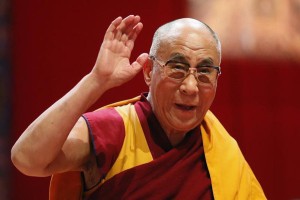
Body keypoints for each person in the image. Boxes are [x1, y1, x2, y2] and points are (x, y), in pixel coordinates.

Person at [11, 15, 266, 199]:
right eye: (177, 68)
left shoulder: (220, 149)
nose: (190, 86)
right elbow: (27, 159)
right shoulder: (115, 131)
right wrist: (95, 81)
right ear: (148, 71)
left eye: (204, 72)